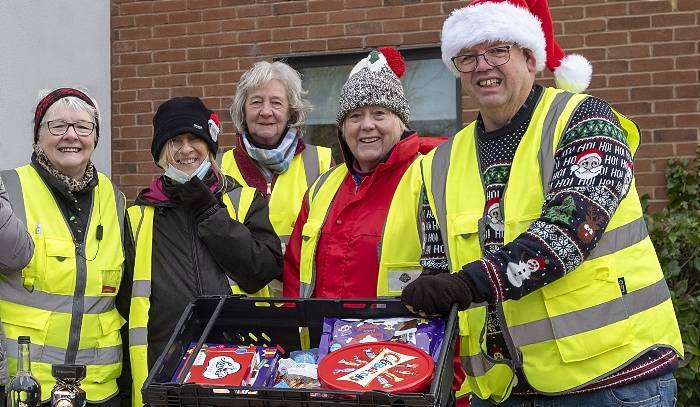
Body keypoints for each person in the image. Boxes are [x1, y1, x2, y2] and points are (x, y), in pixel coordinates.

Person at [399, 0, 683, 405]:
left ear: (531, 58)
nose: (482, 66)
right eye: (467, 57)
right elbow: (437, 274)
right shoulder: (438, 165)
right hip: (500, 390)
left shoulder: (585, 121)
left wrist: (466, 284)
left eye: (498, 51)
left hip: (611, 379)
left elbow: (569, 233)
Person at [117, 96, 282, 407]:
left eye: (195, 138)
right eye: (174, 141)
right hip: (164, 377)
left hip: (237, 370)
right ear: (161, 153)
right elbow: (126, 310)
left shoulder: (245, 201)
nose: (185, 149)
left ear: (210, 146)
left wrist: (209, 212)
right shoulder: (138, 216)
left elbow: (261, 270)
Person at [0, 87, 130, 407]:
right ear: (38, 135)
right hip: (25, 388)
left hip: (100, 390)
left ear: (95, 137)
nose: (71, 136)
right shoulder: (8, 189)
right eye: (57, 126)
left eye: (83, 127)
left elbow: (126, 298)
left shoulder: (116, 200)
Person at [283, 46, 444, 299]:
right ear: (344, 128)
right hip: (321, 338)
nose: (367, 125)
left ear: (400, 123)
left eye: (379, 113)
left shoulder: (429, 180)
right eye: (355, 116)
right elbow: (295, 274)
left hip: (396, 339)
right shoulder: (322, 188)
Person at [221, 61, 334, 296]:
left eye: (276, 102)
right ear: (242, 110)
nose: (265, 111)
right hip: (236, 315)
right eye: (256, 102)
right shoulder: (217, 168)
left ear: (291, 111)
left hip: (301, 312)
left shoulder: (322, 163)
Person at [0, 179, 34, 407]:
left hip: (101, 383)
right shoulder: (16, 181)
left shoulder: (112, 196)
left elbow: (14, 255)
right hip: (22, 378)